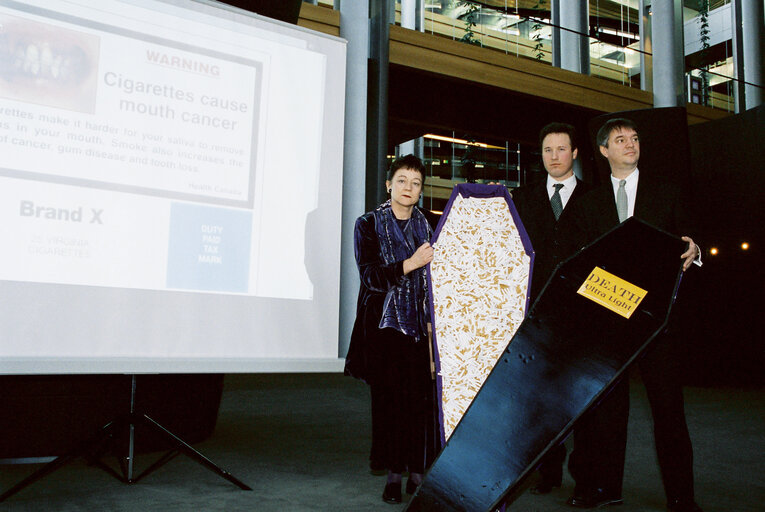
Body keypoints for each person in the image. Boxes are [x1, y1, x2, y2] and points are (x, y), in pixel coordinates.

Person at [566, 118, 703, 512]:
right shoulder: (589, 203)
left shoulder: (668, 193)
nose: (630, 144)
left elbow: (693, 241)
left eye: (635, 138)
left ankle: (682, 497)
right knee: (605, 413)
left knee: (669, 413)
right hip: (608, 322)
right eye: (620, 140)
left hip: (658, 323)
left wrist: (695, 250)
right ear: (603, 151)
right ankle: (603, 488)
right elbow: (579, 263)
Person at [344, 154, 436, 504]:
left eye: (415, 183)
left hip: (420, 329)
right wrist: (410, 264)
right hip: (383, 330)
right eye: (402, 181)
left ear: (421, 190)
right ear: (389, 185)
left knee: (420, 404)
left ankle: (418, 470)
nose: (408, 188)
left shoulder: (430, 225)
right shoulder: (367, 224)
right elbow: (370, 276)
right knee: (389, 405)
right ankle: (394, 474)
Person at [512, 122, 592, 495]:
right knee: (539, 396)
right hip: (537, 312)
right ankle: (547, 469)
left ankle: (586, 476)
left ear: (575, 153)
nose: (554, 157)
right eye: (548, 150)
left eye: (562, 149)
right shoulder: (523, 198)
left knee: (581, 397)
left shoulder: (596, 197)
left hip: (583, 313)